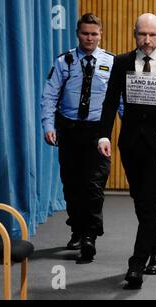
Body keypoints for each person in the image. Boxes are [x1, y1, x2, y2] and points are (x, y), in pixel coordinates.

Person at [98, 13, 156, 289]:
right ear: (135, 34)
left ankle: (137, 264)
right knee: (141, 200)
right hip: (130, 142)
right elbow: (109, 101)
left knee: (151, 200)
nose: (147, 40)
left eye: (152, 34)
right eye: (142, 34)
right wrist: (103, 134)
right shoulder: (122, 62)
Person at [41, 13, 121, 263]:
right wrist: (48, 125)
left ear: (101, 34)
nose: (89, 38)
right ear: (78, 34)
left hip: (98, 132)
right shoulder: (65, 61)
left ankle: (90, 236)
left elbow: (119, 100)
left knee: (94, 185)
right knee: (72, 184)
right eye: (85, 33)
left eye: (94, 33)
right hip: (69, 129)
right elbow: (50, 95)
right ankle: (77, 228)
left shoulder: (111, 62)